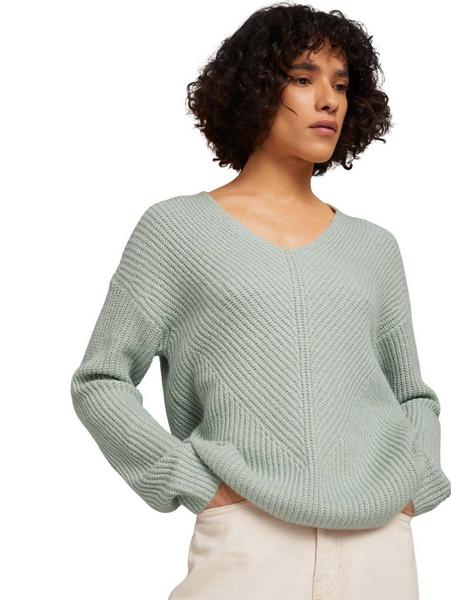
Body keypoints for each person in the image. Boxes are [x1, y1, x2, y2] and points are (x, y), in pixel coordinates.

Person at [70, 3, 451, 598]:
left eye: (341, 85)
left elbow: (411, 394)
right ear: (253, 88)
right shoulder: (176, 231)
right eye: (303, 78)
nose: (328, 100)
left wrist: (413, 486)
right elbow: (101, 380)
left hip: (379, 545)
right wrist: (195, 482)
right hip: (247, 538)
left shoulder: (374, 247)